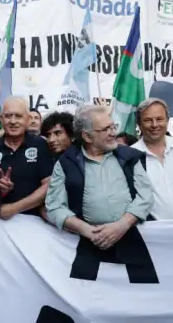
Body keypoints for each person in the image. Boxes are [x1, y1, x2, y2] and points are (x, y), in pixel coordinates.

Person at [46, 105, 153, 248]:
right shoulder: (66, 163)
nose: (113, 133)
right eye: (105, 129)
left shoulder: (129, 156)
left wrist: (122, 225)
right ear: (87, 136)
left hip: (133, 239)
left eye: (113, 126)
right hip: (89, 244)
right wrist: (90, 231)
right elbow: (54, 207)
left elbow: (145, 196)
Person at [0, 96, 53, 219]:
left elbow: (48, 185)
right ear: (1, 119)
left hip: (34, 221)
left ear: (28, 119)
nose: (13, 121)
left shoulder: (40, 145)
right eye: (8, 116)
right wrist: (0, 190)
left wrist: (14, 208)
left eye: (18, 116)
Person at [131, 98, 173, 220]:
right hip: (151, 230)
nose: (154, 125)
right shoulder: (131, 155)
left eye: (159, 119)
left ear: (167, 120)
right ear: (139, 123)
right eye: (148, 120)